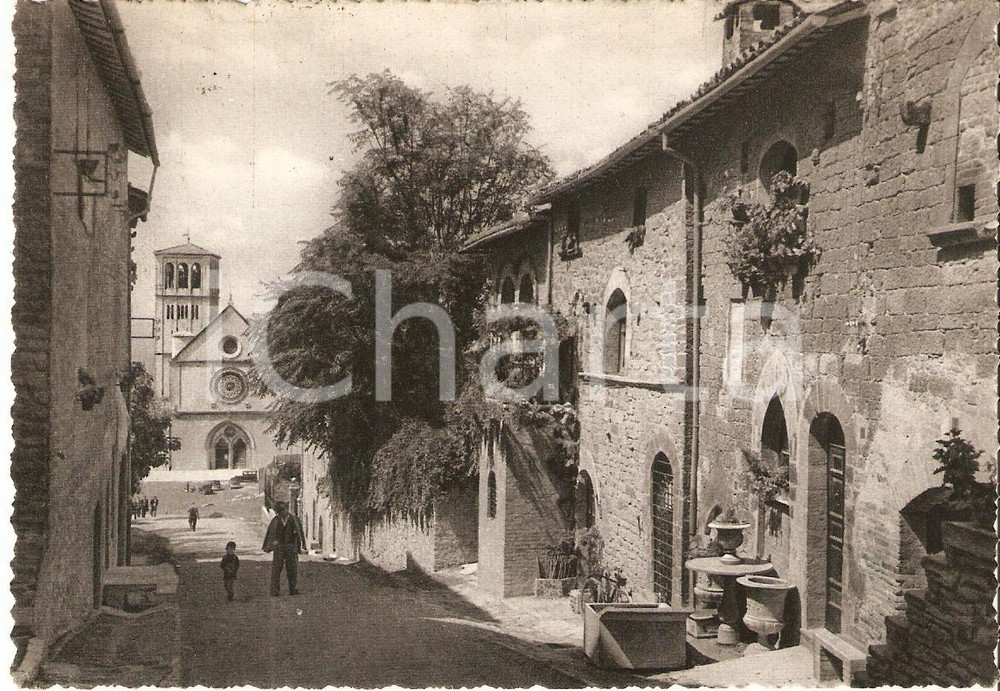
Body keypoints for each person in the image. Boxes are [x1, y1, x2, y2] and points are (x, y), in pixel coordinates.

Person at [262, 501, 305, 596]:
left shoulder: (294, 519)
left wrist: (300, 546)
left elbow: (299, 533)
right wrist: (273, 543)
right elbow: (271, 534)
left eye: (282, 511)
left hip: (291, 547)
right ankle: (275, 591)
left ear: (286, 509)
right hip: (279, 548)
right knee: (276, 569)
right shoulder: (275, 520)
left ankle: (292, 589)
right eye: (279, 512)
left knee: (292, 569)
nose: (281, 513)